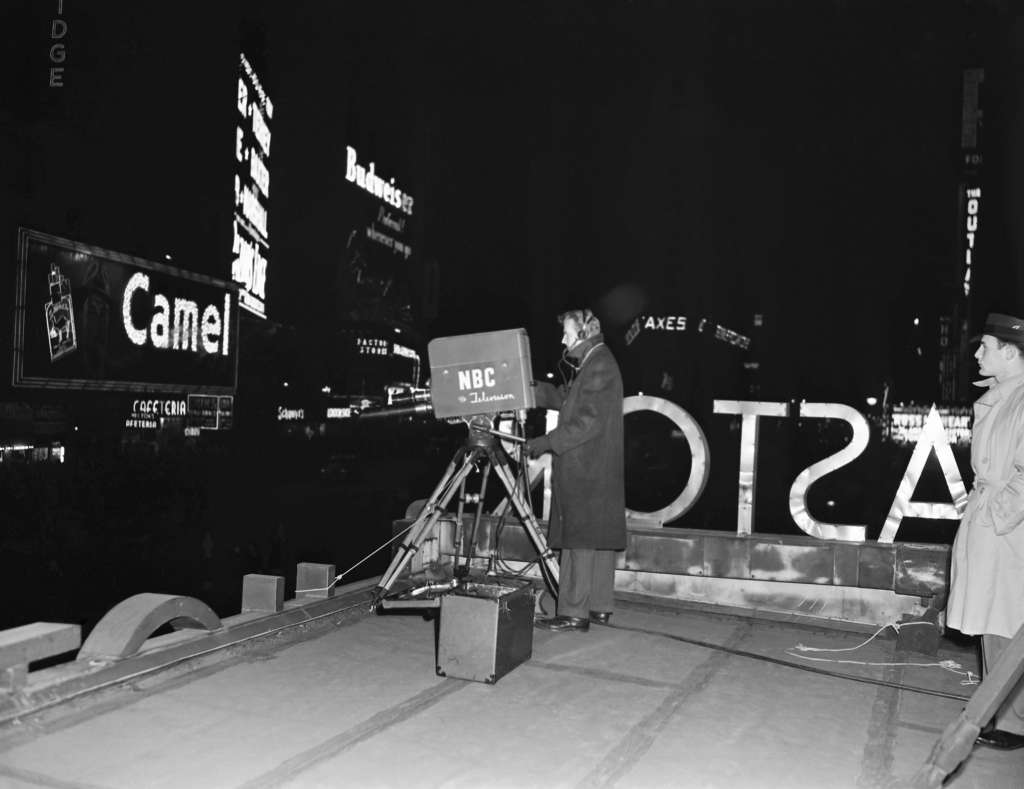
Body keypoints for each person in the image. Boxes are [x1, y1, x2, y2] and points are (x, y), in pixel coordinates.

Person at [947, 312, 1024, 750]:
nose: (977, 354)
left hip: (1009, 529)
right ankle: (997, 708)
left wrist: (999, 514)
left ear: (1011, 353)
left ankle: (1014, 720)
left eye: (986, 347)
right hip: (994, 520)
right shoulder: (1003, 395)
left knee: (1009, 619)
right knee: (994, 618)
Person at [526, 308, 626, 633]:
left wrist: (545, 442)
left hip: (586, 467)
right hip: (597, 467)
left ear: (584, 333)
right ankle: (597, 607)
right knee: (597, 536)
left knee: (578, 535)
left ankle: (572, 613)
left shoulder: (599, 364)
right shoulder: (597, 362)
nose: (563, 339)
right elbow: (566, 399)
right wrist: (528, 388)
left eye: (568, 333)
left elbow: (587, 421)